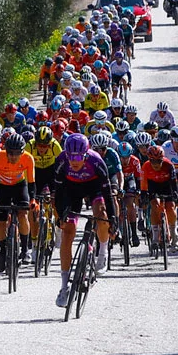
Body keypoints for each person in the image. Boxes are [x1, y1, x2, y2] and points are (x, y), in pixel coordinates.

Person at [52, 132, 113, 309]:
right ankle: (64, 287)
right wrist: (61, 214)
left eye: (78, 156)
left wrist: (113, 219)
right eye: (71, 156)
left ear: (86, 154)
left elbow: (108, 195)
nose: (74, 160)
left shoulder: (96, 162)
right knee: (68, 232)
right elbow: (59, 192)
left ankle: (102, 252)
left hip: (94, 188)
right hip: (71, 191)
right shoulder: (62, 161)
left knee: (101, 214)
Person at [0, 130, 35, 272]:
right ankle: (2, 250)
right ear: (5, 151)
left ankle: (25, 249)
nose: (13, 156)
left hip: (20, 186)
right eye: (10, 153)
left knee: (23, 214)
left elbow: (31, 183)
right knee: (1, 222)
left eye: (16, 153)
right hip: (2, 187)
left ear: (22, 152)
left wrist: (32, 199)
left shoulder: (28, 158)